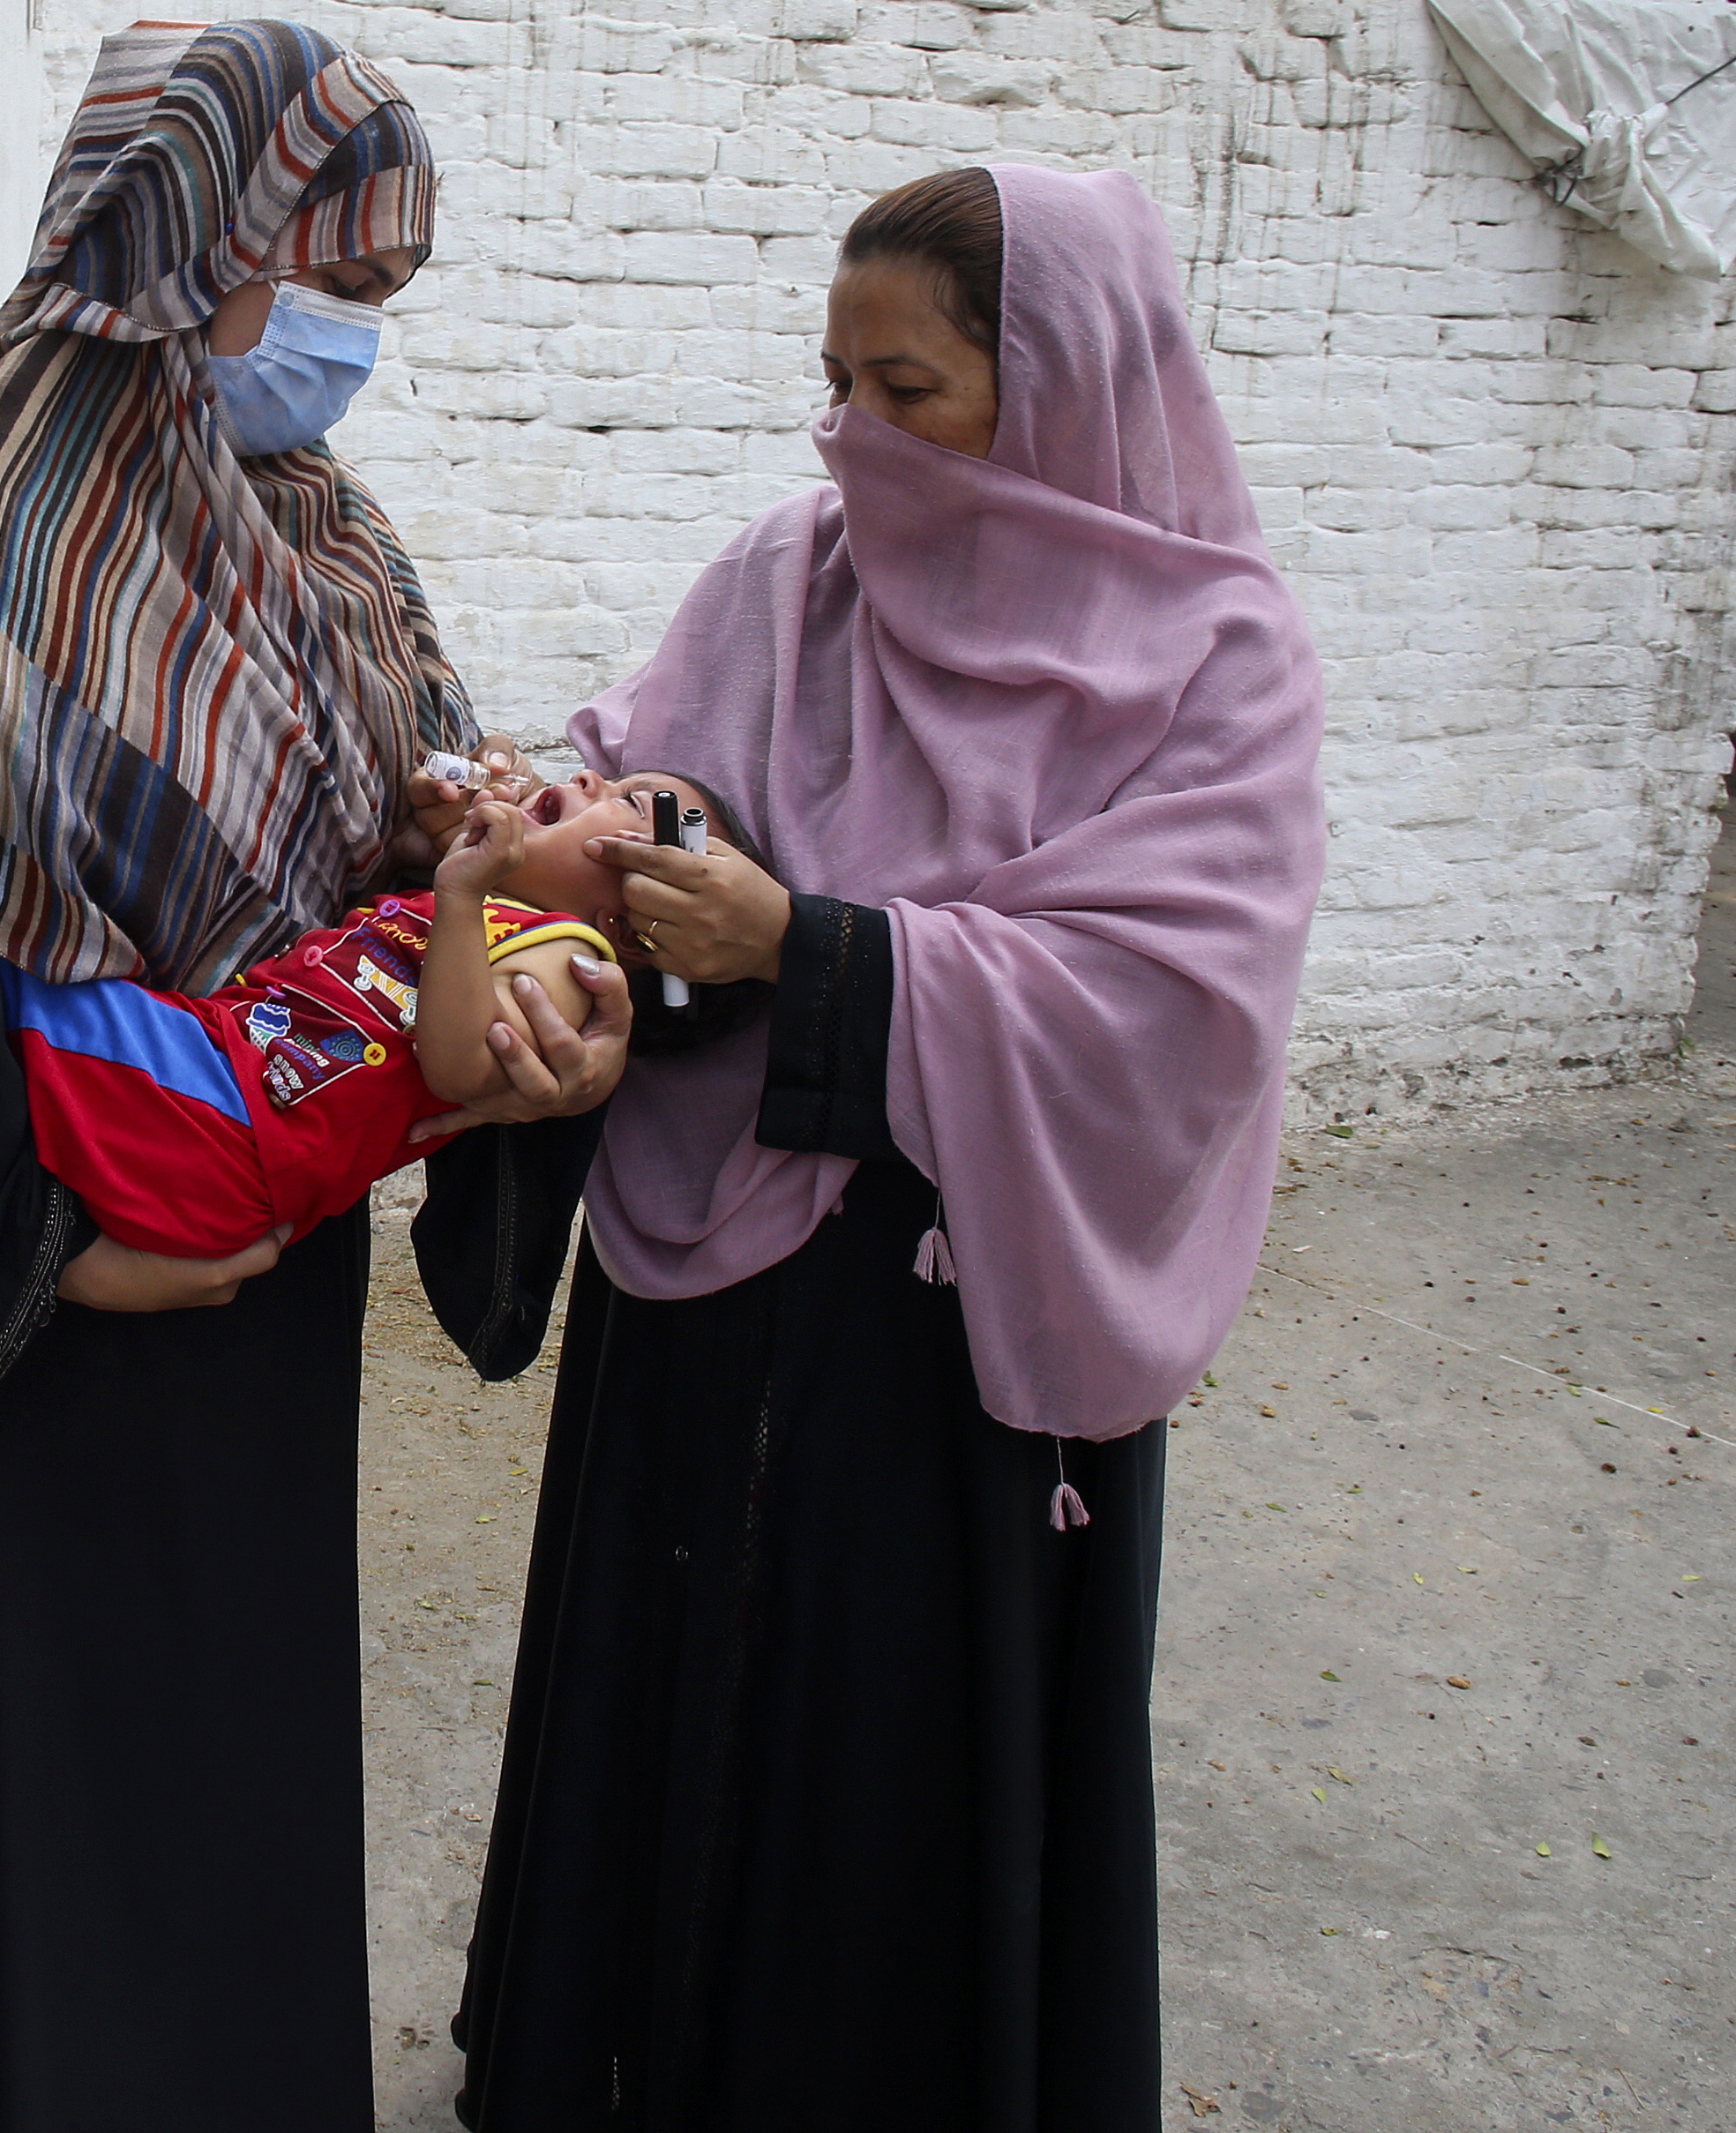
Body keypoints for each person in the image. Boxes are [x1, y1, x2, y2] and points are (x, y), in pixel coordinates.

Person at [0, 17, 631, 2128]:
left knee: (224, 1821)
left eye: (378, 302)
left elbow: (423, 820)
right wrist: (35, 1253)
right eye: (339, 282)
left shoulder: (314, 524)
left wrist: (521, 958)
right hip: (15, 1336)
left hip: (244, 1289)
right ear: (195, 237)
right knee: (45, 1872)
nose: (346, 342)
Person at [438, 163, 1328, 2128]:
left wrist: (815, 949)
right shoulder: (789, 571)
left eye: (907, 387)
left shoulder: (1213, 657)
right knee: (667, 1694)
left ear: (1064, 390)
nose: (856, 434)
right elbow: (660, 758)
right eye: (832, 382)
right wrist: (594, 824)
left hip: (942, 1340)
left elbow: (1175, 1017)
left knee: (882, 1764)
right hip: (698, 1286)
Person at [0, 774, 706, 1336]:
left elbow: (465, 1064)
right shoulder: (509, 912)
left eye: (639, 815)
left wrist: (465, 893)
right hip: (217, 1085)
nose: (601, 788)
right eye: (620, 775)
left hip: (222, 1116)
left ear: (645, 916)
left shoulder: (565, 958)